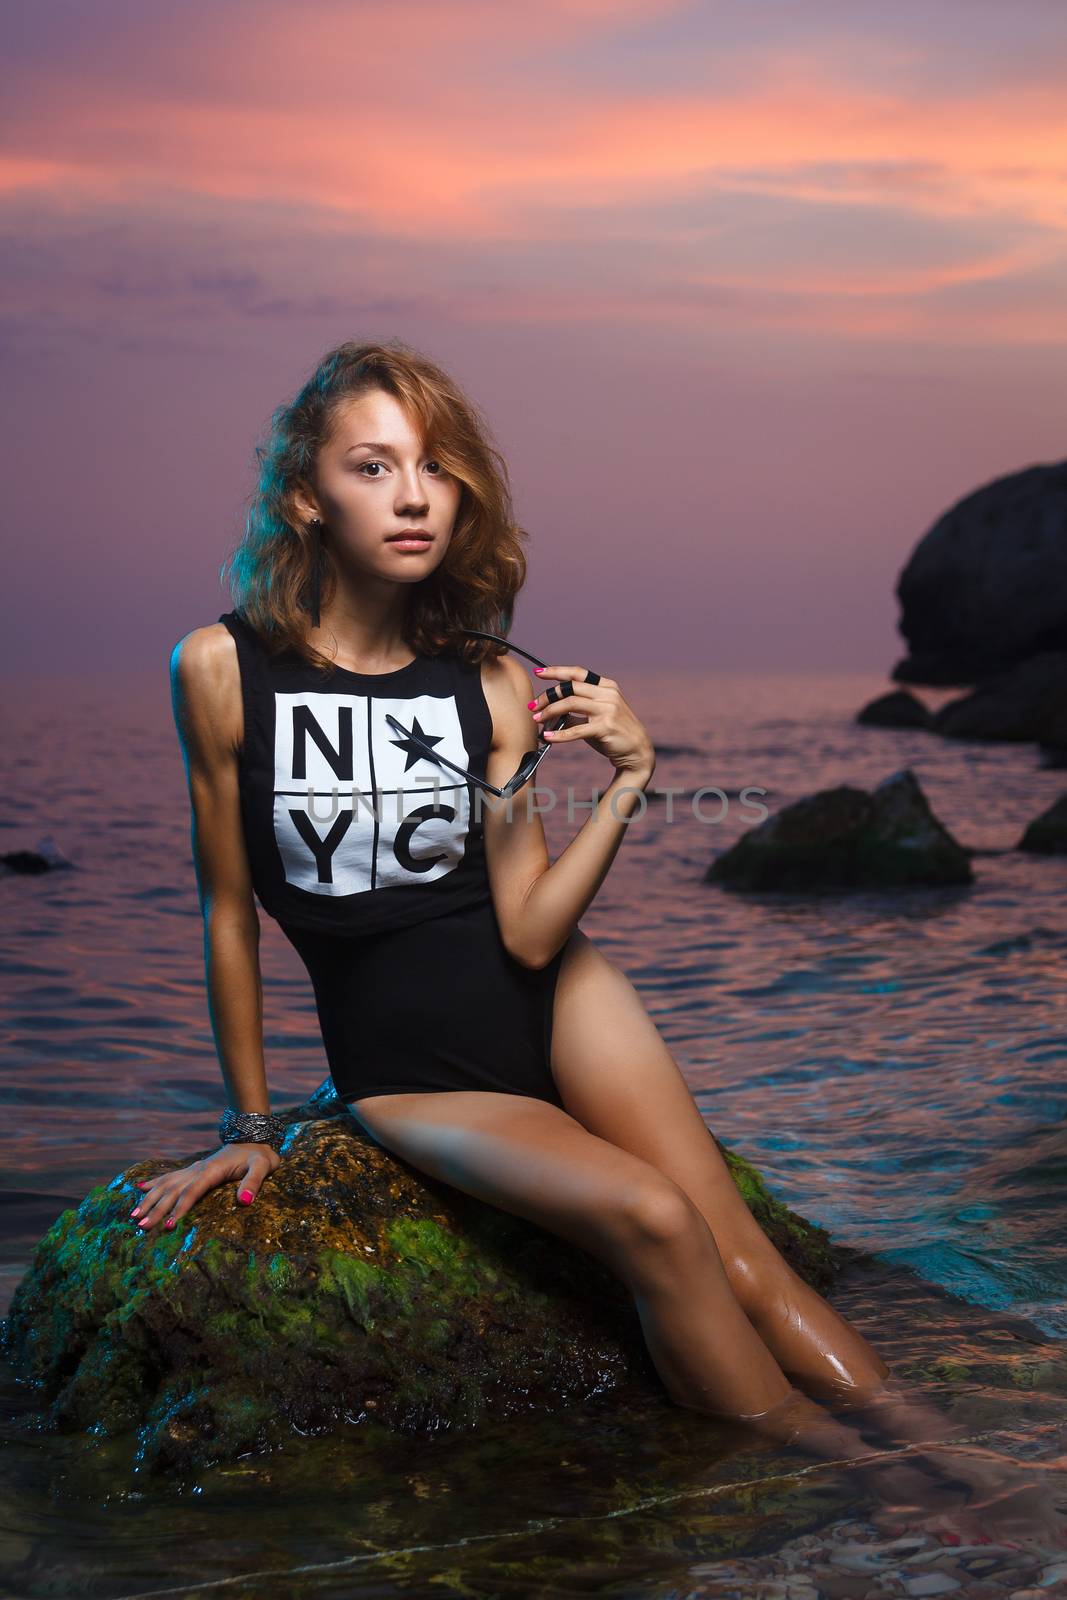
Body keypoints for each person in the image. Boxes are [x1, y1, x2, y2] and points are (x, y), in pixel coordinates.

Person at [135, 339, 1062, 1545]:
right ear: (307, 496)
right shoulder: (218, 669)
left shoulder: (483, 682)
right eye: (373, 466)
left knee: (743, 1257)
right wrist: (249, 1128)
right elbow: (225, 910)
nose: (413, 495)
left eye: (435, 467)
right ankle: (870, 1486)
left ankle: (957, 1457)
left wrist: (630, 775)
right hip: (409, 1062)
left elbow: (524, 925)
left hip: (561, 994)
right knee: (660, 1220)